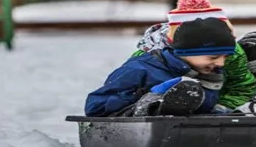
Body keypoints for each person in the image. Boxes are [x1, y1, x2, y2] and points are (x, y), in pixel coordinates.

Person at [85, 17, 238, 117]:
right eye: (213, 57)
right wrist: (142, 95)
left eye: (225, 57)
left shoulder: (210, 73)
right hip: (135, 133)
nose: (221, 63)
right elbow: (95, 107)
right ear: (185, 52)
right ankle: (151, 107)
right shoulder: (140, 69)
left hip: (182, 136)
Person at [133, 0, 256, 111]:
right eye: (213, 56)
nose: (220, 62)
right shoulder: (147, 57)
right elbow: (126, 91)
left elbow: (243, 87)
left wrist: (220, 108)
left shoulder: (232, 53)